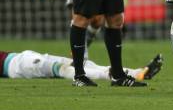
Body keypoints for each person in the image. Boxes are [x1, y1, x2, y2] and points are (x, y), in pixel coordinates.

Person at [0, 49, 162, 82]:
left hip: (22, 56)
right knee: (62, 69)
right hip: (16, 66)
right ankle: (110, 77)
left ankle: (138, 73)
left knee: (82, 64)